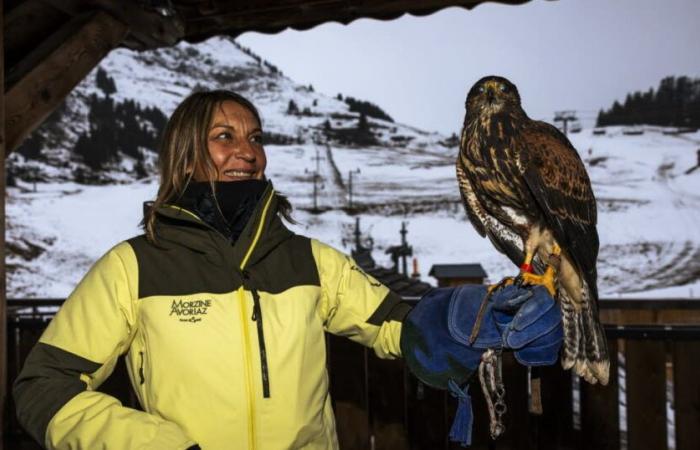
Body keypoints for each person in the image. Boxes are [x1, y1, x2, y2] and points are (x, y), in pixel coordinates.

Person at [13, 90, 563, 450]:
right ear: (185, 156)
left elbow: (394, 323)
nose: (247, 152)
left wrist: (463, 321)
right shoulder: (132, 268)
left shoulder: (307, 259)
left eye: (255, 138)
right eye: (225, 137)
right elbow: (44, 387)